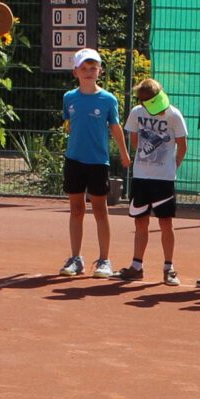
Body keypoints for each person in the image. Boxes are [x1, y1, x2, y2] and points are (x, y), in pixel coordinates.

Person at [58, 47, 125, 278]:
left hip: (98, 161)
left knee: (100, 210)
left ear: (100, 71)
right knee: (76, 209)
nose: (88, 72)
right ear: (75, 71)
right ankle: (76, 259)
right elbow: (69, 123)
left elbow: (115, 127)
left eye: (92, 68)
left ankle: (104, 260)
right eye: (84, 68)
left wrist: (125, 154)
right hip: (74, 160)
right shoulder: (69, 98)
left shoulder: (108, 99)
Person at [123, 77, 187, 286]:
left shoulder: (174, 114)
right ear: (143, 103)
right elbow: (134, 140)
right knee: (140, 222)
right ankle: (136, 266)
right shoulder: (136, 113)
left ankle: (169, 268)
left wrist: (173, 165)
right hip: (142, 177)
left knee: (165, 222)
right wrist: (145, 158)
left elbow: (182, 144)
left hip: (164, 179)